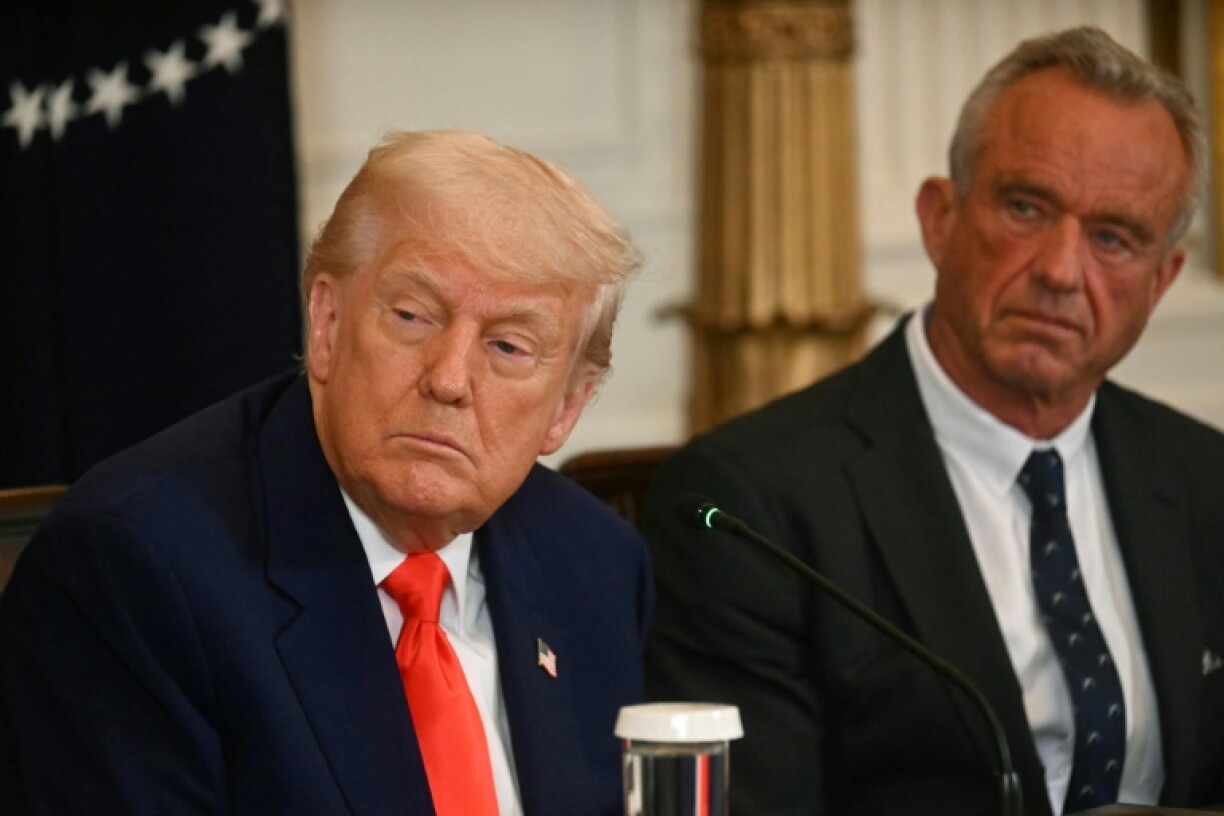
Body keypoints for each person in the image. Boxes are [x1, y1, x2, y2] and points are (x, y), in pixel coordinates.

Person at [643, 26, 1224, 816]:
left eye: (1113, 238)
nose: (1061, 271)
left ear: (1161, 282)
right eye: (1026, 207)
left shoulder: (1205, 481)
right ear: (939, 218)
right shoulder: (754, 506)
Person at [0, 130, 652, 816]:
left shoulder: (596, 565)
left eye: (510, 346)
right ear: (328, 323)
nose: (450, 379)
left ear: (567, 406)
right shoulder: (136, 569)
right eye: (413, 316)